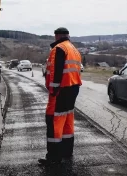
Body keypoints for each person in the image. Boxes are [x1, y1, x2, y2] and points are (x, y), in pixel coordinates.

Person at [38, 27, 82, 166]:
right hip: (73, 88)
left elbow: (57, 71)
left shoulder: (59, 48)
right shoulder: (74, 49)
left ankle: (53, 157)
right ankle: (66, 151)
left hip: (60, 90)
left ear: (57, 36)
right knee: (67, 119)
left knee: (53, 121)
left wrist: (54, 89)